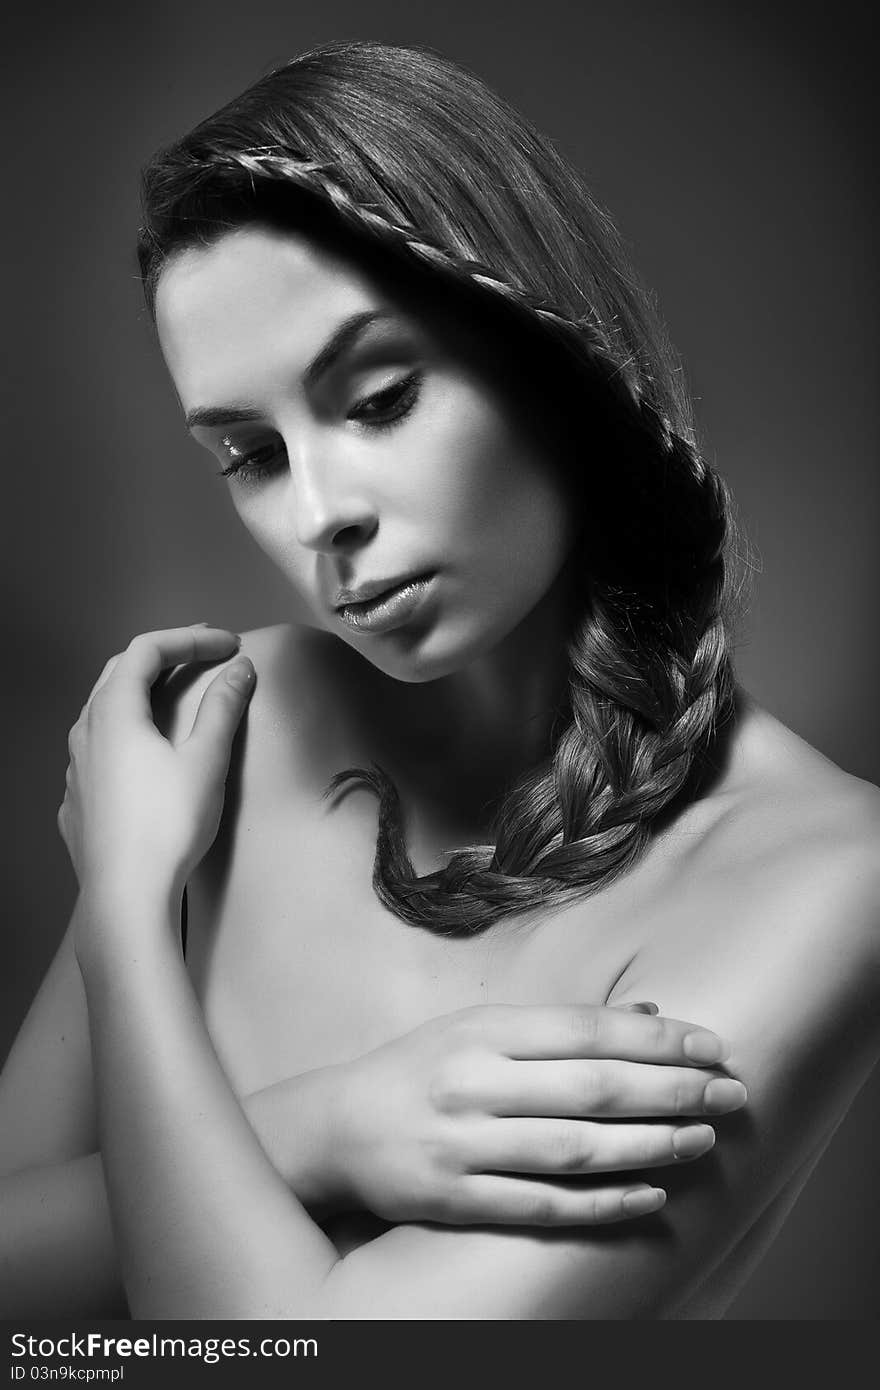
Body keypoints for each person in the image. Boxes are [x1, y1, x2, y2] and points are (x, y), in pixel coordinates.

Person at [2, 38, 878, 1321]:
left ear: (556, 359)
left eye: (377, 397)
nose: (318, 515)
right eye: (249, 454)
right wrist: (329, 1124)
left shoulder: (826, 875)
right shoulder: (222, 729)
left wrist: (131, 924)